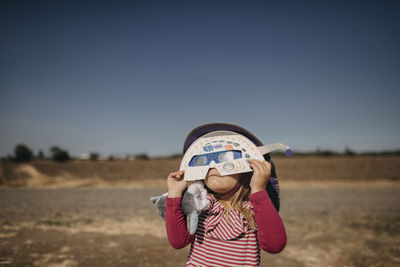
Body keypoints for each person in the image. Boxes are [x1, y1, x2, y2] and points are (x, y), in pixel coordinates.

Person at [165, 123, 287, 266]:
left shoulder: (254, 209)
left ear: (247, 170)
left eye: (225, 158)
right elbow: (178, 242)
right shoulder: (200, 205)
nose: (212, 166)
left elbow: (275, 246)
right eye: (204, 160)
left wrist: (258, 191)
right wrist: (174, 193)